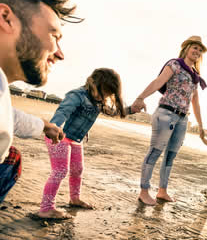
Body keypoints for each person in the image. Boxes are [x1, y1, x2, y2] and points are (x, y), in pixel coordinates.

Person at [0, 0, 110, 240]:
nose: (59, 52)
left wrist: (44, 126)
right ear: (5, 18)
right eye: (54, 34)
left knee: (12, 159)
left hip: (63, 139)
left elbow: (10, 115)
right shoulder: (77, 95)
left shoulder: (1, 90)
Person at [38, 68, 138, 219]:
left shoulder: (99, 102)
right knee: (60, 171)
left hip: (76, 140)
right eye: (103, 92)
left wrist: (131, 109)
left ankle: (75, 199)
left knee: (77, 170)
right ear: (93, 83)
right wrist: (54, 128)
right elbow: (63, 111)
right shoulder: (77, 95)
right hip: (58, 135)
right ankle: (46, 208)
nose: (104, 96)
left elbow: (113, 112)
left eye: (108, 94)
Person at [132, 35, 207, 205]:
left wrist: (201, 125)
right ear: (187, 48)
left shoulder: (195, 76)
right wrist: (140, 97)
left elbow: (195, 102)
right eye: (195, 47)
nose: (197, 51)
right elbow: (159, 82)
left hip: (182, 119)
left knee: (171, 156)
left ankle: (162, 191)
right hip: (166, 113)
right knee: (155, 152)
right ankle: (144, 191)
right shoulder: (174, 64)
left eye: (200, 50)